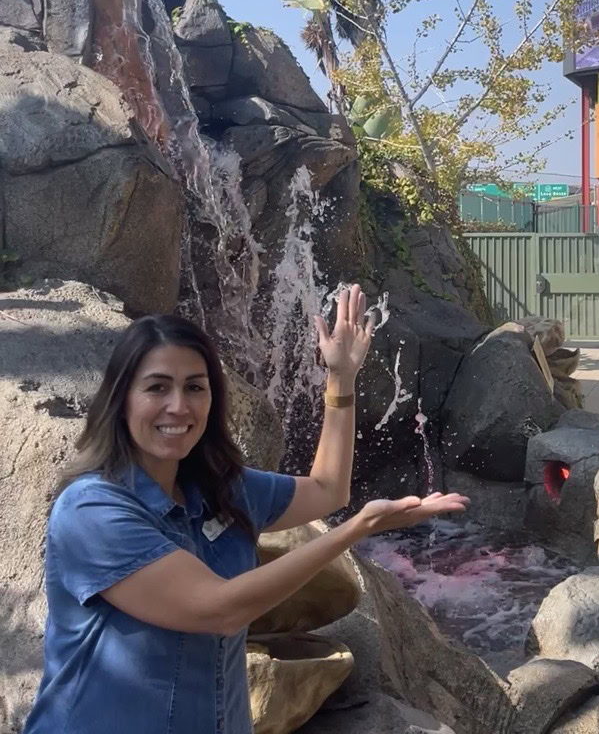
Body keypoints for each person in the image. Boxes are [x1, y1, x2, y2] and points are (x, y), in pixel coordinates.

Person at [24, 286, 468, 734]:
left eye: (194, 387)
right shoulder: (91, 511)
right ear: (122, 401)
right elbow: (218, 609)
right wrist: (356, 529)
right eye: (157, 387)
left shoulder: (219, 489)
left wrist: (341, 380)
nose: (178, 406)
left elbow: (327, 490)